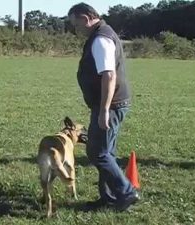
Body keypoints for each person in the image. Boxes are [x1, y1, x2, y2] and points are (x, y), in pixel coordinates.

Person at [68, 3, 140, 211]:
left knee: (97, 152)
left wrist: (104, 110)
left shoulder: (100, 39)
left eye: (76, 24)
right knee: (107, 151)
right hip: (113, 103)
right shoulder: (102, 34)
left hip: (110, 104)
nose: (76, 30)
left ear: (86, 18)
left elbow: (109, 76)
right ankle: (109, 197)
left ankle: (126, 192)